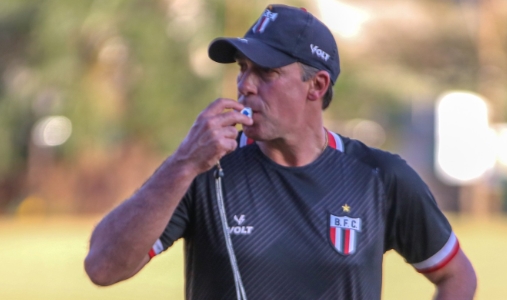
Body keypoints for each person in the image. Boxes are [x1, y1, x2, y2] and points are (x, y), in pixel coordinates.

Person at [84, 4, 477, 300]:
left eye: (266, 73)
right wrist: (183, 163)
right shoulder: (204, 169)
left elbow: (456, 274)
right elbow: (102, 267)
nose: (245, 85)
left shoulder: (380, 177)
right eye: (242, 68)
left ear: (316, 86)